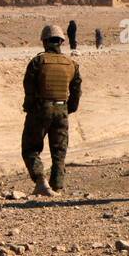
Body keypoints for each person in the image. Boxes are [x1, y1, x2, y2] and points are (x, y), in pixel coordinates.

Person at [21, 24, 82, 196]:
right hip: (61, 109)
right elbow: (76, 91)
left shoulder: (38, 61)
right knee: (59, 151)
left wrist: (31, 108)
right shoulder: (71, 63)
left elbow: (29, 88)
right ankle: (57, 187)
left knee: (30, 148)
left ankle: (40, 181)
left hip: (41, 109)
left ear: (45, 41)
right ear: (61, 42)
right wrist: (68, 108)